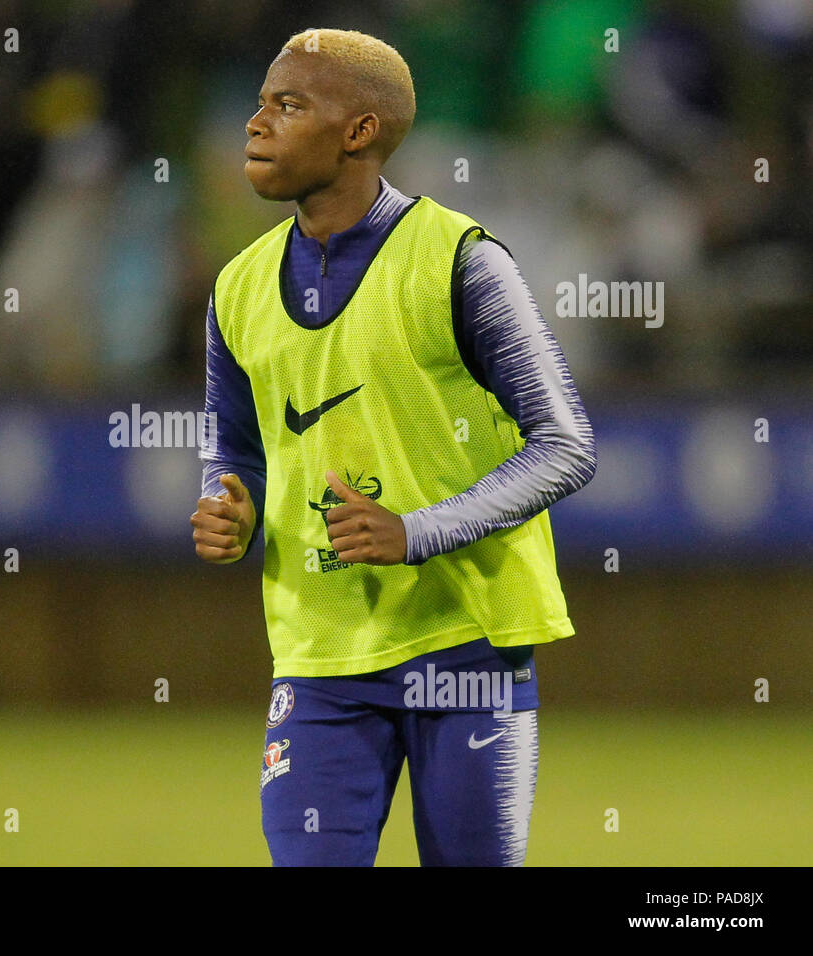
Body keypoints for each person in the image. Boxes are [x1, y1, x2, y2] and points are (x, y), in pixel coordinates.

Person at [190, 27, 597, 866]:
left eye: (288, 105)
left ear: (360, 132)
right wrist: (229, 502)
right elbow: (235, 445)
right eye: (262, 102)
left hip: (466, 653)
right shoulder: (236, 288)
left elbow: (565, 443)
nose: (255, 123)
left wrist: (417, 531)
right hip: (321, 661)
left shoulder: (459, 264)